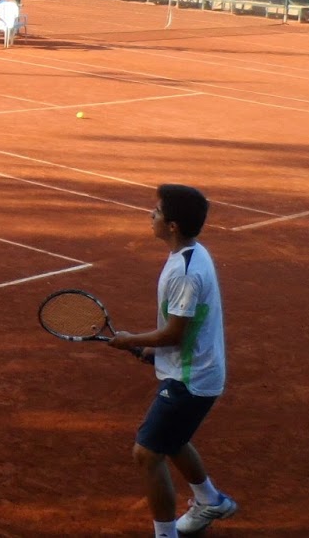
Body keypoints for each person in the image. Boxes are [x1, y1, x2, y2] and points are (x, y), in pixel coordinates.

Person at [108, 184, 236, 538]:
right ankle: (210, 500)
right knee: (172, 439)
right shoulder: (192, 253)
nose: (151, 215)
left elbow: (174, 334)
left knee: (147, 454)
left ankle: (165, 535)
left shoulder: (185, 272)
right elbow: (183, 330)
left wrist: (131, 340)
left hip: (191, 379)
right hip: (195, 369)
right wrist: (154, 351)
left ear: (173, 225)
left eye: (157, 212)